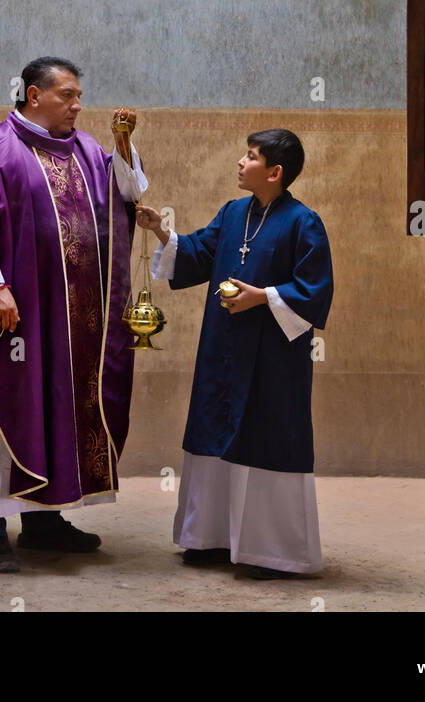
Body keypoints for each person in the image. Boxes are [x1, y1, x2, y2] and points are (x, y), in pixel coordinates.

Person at [0, 56, 147, 573]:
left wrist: (121, 148)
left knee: (60, 409)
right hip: (14, 315)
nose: (77, 105)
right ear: (33, 95)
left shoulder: (89, 149)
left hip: (74, 321)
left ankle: (45, 519)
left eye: (78, 96)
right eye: (68, 95)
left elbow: (127, 195)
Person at [136, 128, 333, 580]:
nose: (241, 163)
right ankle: (208, 538)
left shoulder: (304, 223)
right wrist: (161, 231)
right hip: (222, 348)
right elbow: (201, 252)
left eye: (251, 157)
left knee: (265, 435)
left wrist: (262, 296)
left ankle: (270, 550)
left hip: (272, 358)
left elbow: (315, 290)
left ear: (275, 172)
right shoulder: (233, 212)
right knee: (213, 427)